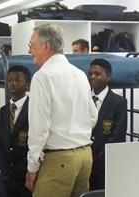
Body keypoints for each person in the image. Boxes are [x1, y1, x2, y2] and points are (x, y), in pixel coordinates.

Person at [23, 24, 96, 197]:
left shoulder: (42, 76)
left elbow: (39, 127)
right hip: (85, 156)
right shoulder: (79, 74)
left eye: (32, 45)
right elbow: (93, 115)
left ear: (46, 46)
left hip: (59, 160)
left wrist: (32, 167)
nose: (29, 51)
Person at [86, 58, 127, 190]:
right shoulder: (82, 99)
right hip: (83, 161)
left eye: (97, 74)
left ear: (108, 77)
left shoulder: (118, 102)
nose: (92, 77)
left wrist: (98, 161)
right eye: (90, 73)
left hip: (105, 164)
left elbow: (117, 136)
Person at [0, 66, 32, 197]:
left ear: (27, 84)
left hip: (25, 172)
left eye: (18, 80)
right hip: (8, 174)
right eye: (10, 80)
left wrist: (17, 173)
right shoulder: (4, 111)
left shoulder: (33, 109)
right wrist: (5, 170)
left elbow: (35, 146)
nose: (13, 83)